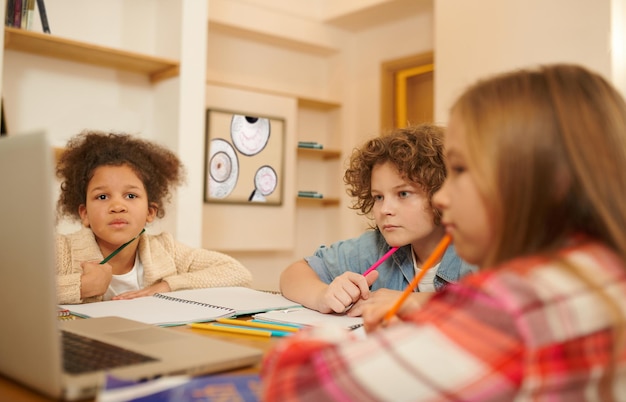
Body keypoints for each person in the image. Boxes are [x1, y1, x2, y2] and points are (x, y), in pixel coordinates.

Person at [261, 64, 626, 400]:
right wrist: (325, 293)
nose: (444, 196)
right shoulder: (601, 269)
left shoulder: (513, 304)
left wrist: (317, 340)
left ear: (539, 179)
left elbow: (301, 385)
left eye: (461, 170)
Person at [280, 124, 475, 316]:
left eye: (403, 193)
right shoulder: (376, 247)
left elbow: (495, 305)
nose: (384, 209)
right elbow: (294, 273)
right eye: (378, 197)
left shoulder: (477, 250)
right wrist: (322, 295)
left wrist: (412, 301)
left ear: (444, 192)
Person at [55, 131, 252, 304]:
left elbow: (237, 272)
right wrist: (83, 285)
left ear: (150, 212)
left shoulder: (167, 250)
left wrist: (168, 286)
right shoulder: (61, 251)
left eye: (131, 196)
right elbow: (24, 291)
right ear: (84, 213)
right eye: (102, 196)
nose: (117, 206)